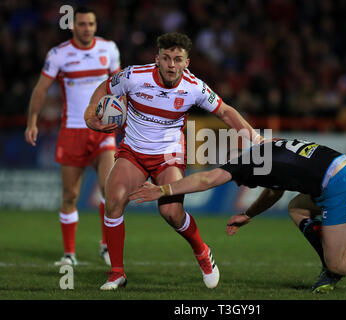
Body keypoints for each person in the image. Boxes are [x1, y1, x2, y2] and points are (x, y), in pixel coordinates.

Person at [83, 32, 263, 290]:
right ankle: (117, 273)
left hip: (169, 156)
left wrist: (255, 139)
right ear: (157, 58)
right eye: (166, 58)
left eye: (177, 59)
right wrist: (91, 112)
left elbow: (224, 111)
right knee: (113, 201)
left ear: (186, 62)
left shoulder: (194, 87)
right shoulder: (134, 76)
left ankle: (201, 250)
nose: (171, 64)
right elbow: (105, 87)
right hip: (133, 151)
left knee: (171, 213)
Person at [129, 138, 346, 295]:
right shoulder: (270, 150)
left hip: (342, 187)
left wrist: (163, 189)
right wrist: (248, 214)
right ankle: (330, 270)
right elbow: (275, 191)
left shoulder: (244, 164)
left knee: (340, 261)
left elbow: (205, 181)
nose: (239, 179)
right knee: (297, 208)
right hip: (344, 170)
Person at [24, 7, 121, 266]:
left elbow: (119, 87)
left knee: (110, 191)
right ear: (73, 26)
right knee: (70, 195)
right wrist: (32, 121)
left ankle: (106, 246)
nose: (86, 28)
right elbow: (41, 89)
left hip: (102, 131)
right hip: (72, 132)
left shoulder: (109, 50)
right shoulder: (59, 54)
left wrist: (121, 116)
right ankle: (69, 254)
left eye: (90, 23)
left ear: (95, 25)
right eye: (81, 24)